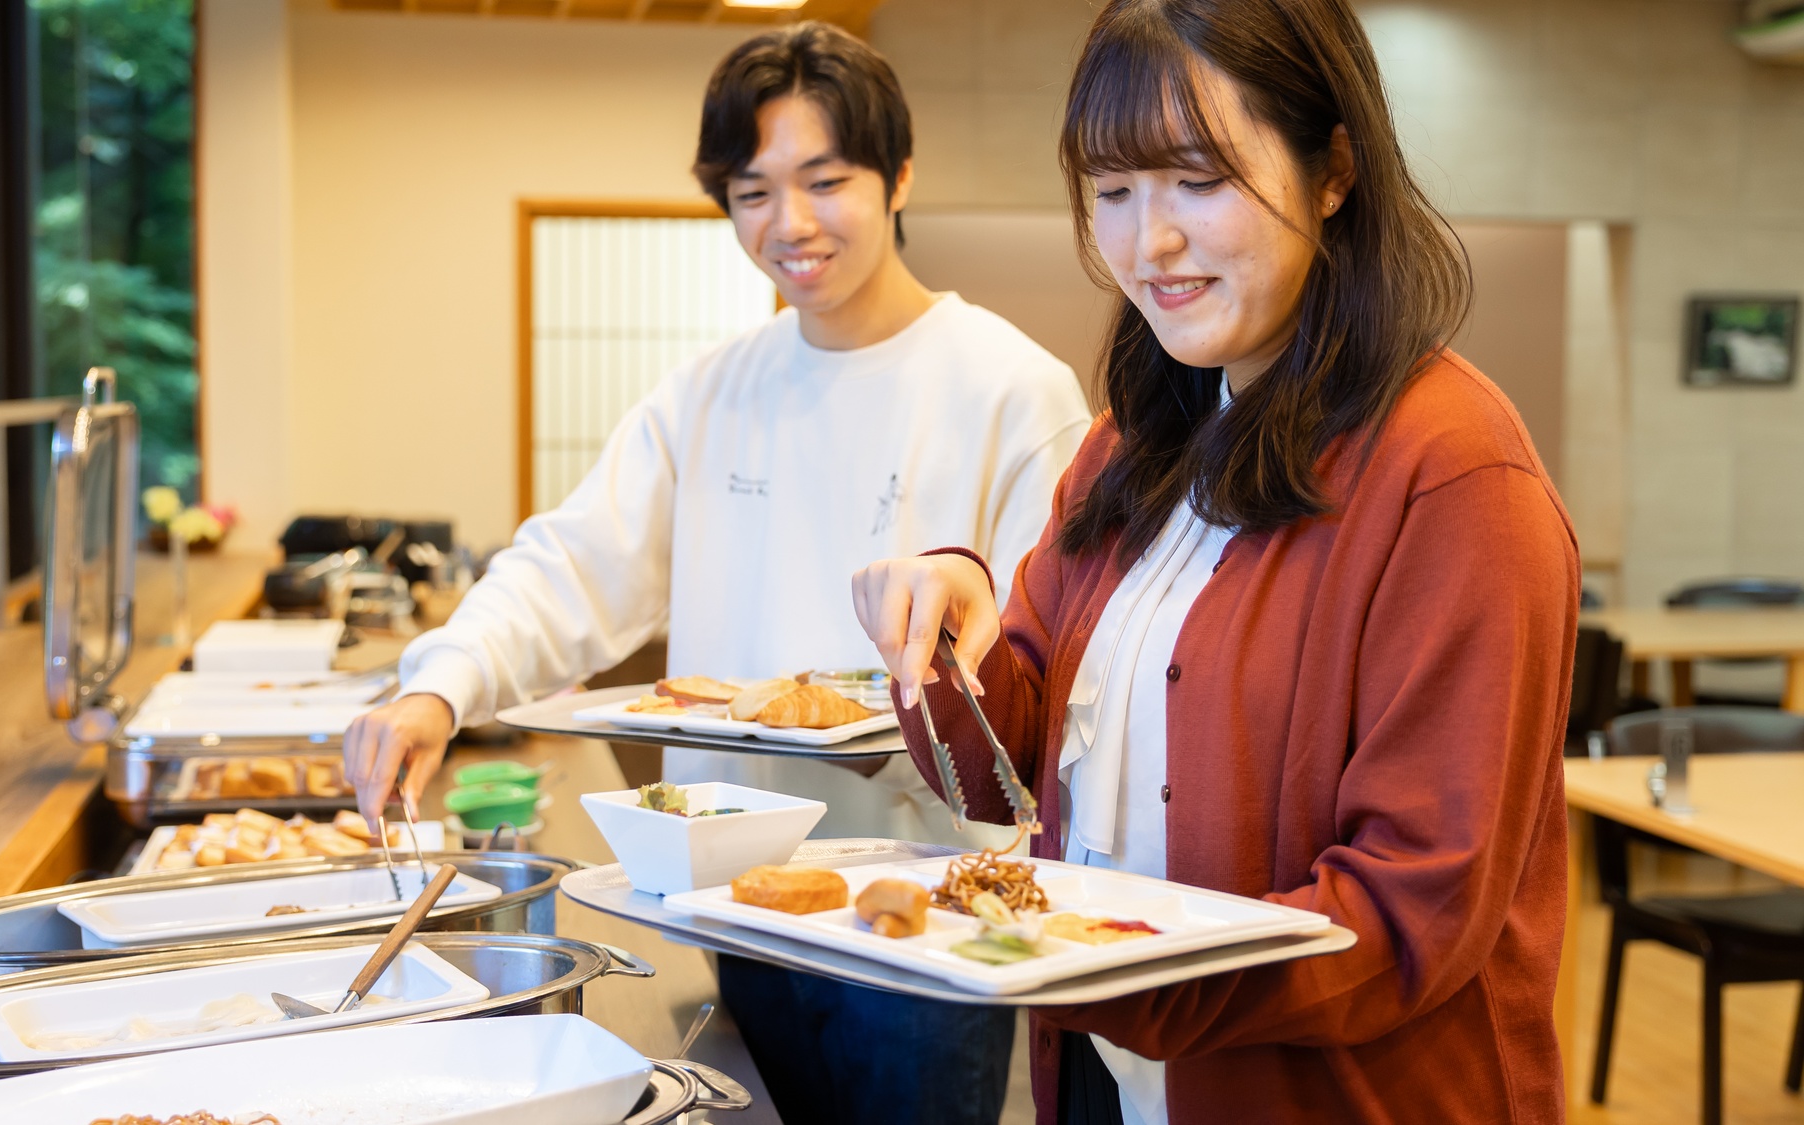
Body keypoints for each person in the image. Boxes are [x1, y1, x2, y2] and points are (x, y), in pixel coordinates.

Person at [344, 22, 1090, 1124]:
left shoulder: (1010, 392)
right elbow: (571, 566)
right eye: (750, 192)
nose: (787, 224)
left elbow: (1043, 664)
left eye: (824, 180)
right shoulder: (710, 392)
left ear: (898, 176)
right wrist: (438, 683)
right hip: (734, 894)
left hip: (920, 915)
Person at [851, 1, 1578, 1122]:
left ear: (1331, 168)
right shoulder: (1124, 448)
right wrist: (944, 638)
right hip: (1101, 1075)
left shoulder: (1451, 476)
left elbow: (1411, 905)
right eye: (1111, 193)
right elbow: (1004, 767)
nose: (1149, 244)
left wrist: (1108, 965)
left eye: (1198, 180)